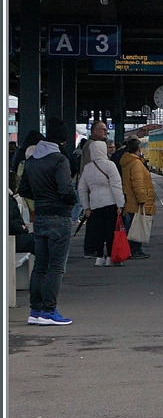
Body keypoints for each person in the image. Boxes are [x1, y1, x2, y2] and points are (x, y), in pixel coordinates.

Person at [16, 123, 77, 325]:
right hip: (59, 218)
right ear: (63, 140)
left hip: (40, 217)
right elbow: (66, 190)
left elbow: (23, 189)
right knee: (55, 267)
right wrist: (70, 201)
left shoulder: (32, 161)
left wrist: (41, 199)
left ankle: (35, 311)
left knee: (40, 266)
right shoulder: (60, 160)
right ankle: (49, 311)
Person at [78, 135, 124, 266]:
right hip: (110, 203)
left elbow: (82, 189)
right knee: (110, 231)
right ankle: (110, 257)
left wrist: (86, 207)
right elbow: (116, 186)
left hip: (95, 204)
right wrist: (120, 204)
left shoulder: (87, 168)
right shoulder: (110, 165)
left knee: (98, 231)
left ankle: (99, 257)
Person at [117, 138, 154, 259]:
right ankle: (134, 250)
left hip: (129, 198)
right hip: (136, 201)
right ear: (138, 149)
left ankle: (130, 249)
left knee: (131, 225)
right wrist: (142, 199)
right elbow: (138, 183)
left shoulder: (127, 161)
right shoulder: (136, 163)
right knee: (135, 226)